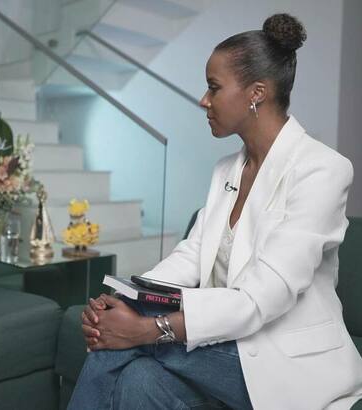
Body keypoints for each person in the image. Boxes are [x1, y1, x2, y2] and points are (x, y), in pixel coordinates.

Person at [70, 13, 362, 410]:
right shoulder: (227, 168)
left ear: (256, 92)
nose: (203, 100)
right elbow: (193, 254)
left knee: (114, 347)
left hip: (284, 359)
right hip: (228, 343)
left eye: (213, 87)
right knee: (139, 379)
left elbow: (264, 298)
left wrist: (147, 328)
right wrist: (126, 299)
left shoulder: (323, 170)